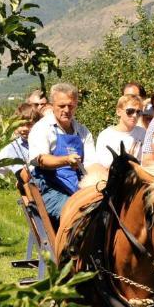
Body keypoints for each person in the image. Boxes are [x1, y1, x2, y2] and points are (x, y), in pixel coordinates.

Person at [27, 83, 96, 226]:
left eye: (70, 106)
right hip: (50, 190)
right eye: (61, 106)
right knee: (79, 215)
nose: (66, 110)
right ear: (52, 105)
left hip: (79, 188)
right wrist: (65, 160)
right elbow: (40, 159)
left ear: (76, 105)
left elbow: (91, 164)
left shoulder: (83, 132)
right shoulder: (42, 128)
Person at [88, 94, 146, 183]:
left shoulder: (143, 133)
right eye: (130, 111)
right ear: (119, 111)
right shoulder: (106, 135)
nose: (134, 115)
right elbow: (106, 165)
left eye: (138, 112)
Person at [0, 103, 41, 179]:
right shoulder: (12, 148)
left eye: (29, 124)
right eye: (21, 125)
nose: (24, 128)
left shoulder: (46, 140)